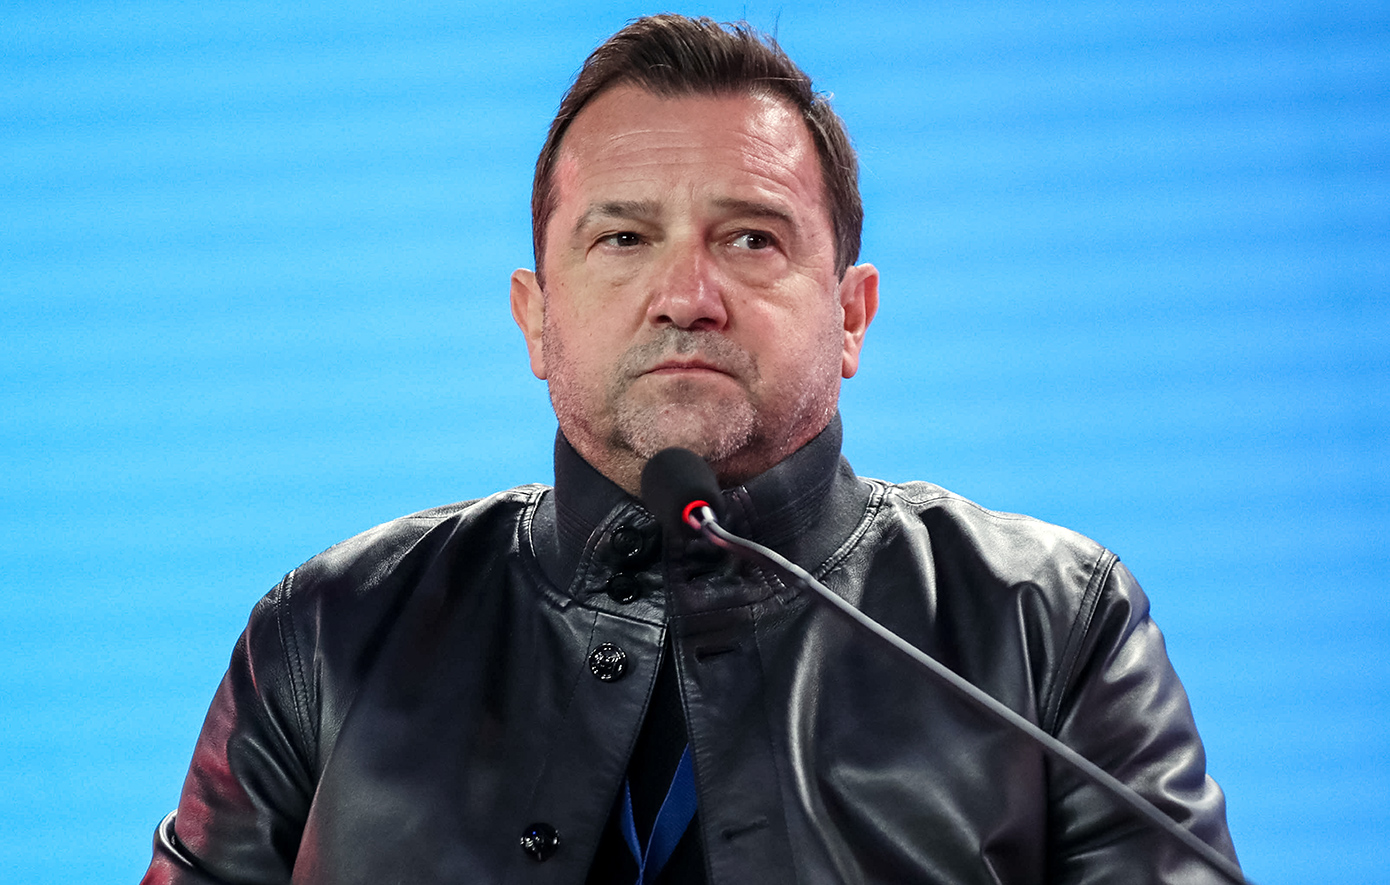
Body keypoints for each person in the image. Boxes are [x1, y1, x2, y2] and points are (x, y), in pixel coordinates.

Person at [143, 14, 1240, 885]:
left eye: (751, 237)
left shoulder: (1049, 624)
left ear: (851, 315)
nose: (686, 295)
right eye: (623, 237)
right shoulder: (328, 633)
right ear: (535, 317)